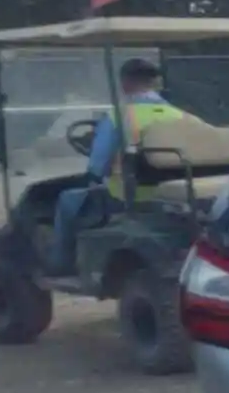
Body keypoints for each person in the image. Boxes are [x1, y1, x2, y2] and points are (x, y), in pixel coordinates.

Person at [48, 57, 185, 275]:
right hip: (170, 196)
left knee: (67, 199)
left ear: (126, 83)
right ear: (153, 83)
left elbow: (97, 167)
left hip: (125, 198)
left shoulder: (120, 117)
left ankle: (61, 265)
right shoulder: (178, 115)